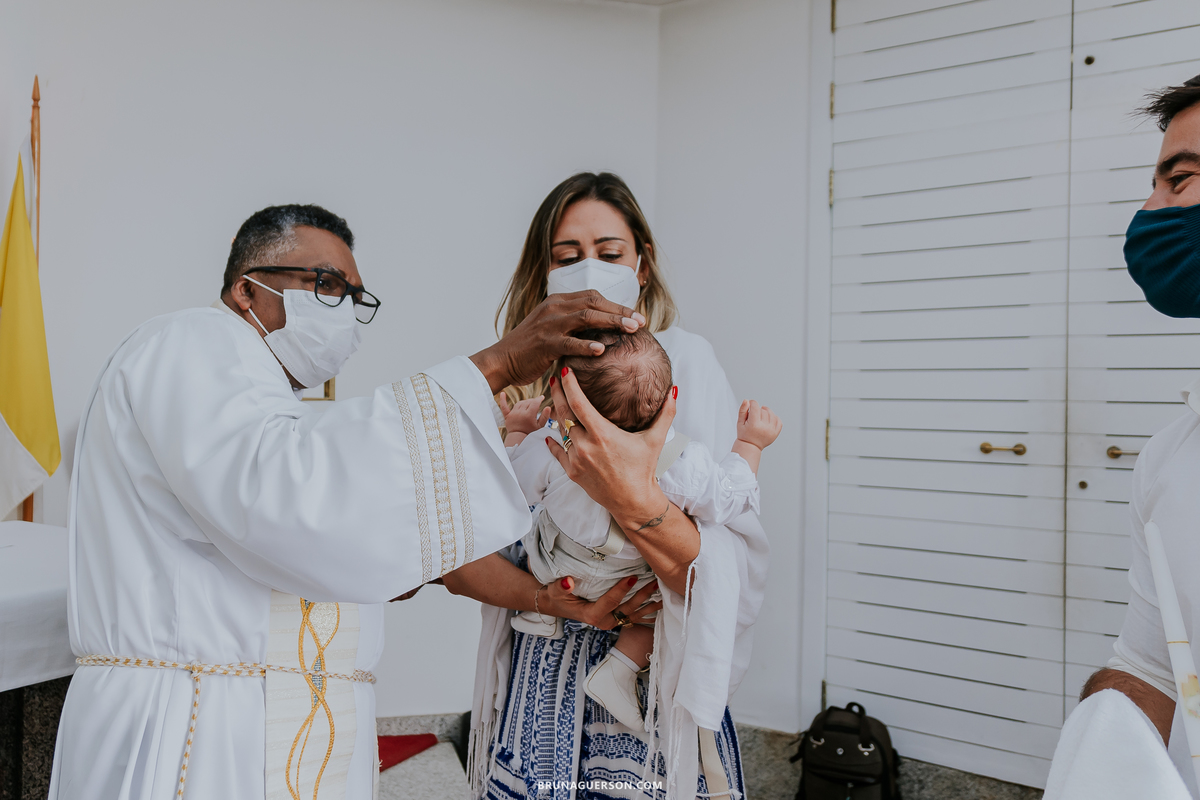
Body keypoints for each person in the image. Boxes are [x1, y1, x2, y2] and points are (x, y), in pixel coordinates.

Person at [47, 203, 664, 800]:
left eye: (353, 296)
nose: (342, 307)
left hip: (269, 716)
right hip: (197, 726)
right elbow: (278, 494)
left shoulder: (267, 402)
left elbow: (305, 520)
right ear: (247, 291)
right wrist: (495, 366)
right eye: (326, 284)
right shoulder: (191, 341)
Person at [443, 173, 771, 800]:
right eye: (567, 258)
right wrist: (551, 599)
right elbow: (458, 544)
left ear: (641, 265)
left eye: (610, 253)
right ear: (543, 274)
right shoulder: (514, 380)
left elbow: (724, 541)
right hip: (539, 669)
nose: (589, 270)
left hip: (650, 683)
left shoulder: (679, 364)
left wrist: (629, 495)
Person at [499, 327, 781, 730]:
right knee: (665, 607)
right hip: (629, 584)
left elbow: (510, 489)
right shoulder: (682, 459)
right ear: (669, 400)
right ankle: (621, 667)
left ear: (566, 401)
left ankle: (542, 616)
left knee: (534, 520)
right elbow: (729, 500)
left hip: (555, 571)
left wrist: (517, 434)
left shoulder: (552, 446)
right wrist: (749, 445)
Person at [1080, 75, 1200, 775]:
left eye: (1178, 181)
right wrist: (1099, 736)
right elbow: (1152, 666)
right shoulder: (1169, 459)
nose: (1150, 210)